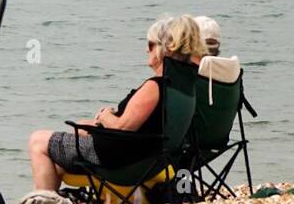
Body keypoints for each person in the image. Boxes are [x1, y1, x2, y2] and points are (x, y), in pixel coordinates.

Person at [26, 15, 206, 193]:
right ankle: (48, 202)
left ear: (162, 49)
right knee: (77, 134)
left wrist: (105, 116)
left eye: (150, 45)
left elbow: (123, 127)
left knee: (38, 141)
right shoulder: (184, 85)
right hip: (149, 158)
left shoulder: (156, 86)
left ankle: (44, 202)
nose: (146, 50)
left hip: (122, 162)